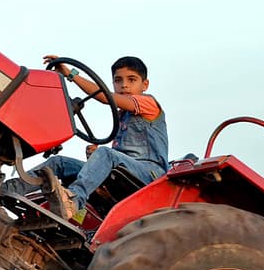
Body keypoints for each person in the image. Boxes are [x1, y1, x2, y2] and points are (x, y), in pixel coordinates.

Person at [9, 55, 168, 220]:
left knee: (105, 153)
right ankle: (8, 190)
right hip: (123, 171)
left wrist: (71, 74)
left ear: (145, 85)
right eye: (118, 80)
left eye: (131, 80)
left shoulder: (148, 104)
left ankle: (73, 201)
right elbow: (121, 157)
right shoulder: (122, 116)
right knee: (59, 163)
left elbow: (105, 97)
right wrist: (94, 161)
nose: (124, 85)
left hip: (149, 174)